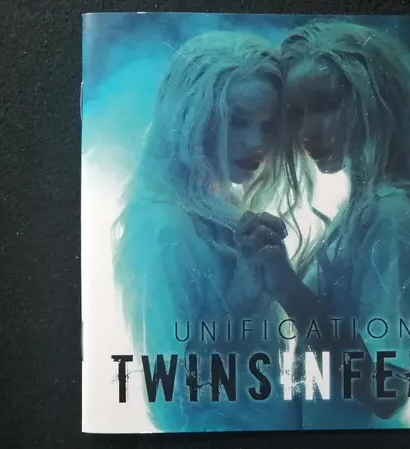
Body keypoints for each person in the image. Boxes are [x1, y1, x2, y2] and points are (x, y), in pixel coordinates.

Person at [238, 20, 410, 429]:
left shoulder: (392, 212)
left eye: (326, 105)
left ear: (375, 100)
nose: (307, 131)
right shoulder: (365, 206)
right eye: (296, 113)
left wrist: (286, 286)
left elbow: (385, 392)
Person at [112, 32, 299, 432]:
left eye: (268, 125)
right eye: (237, 121)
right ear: (191, 117)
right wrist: (244, 295)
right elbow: (170, 398)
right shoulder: (163, 227)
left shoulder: (220, 202)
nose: (257, 142)